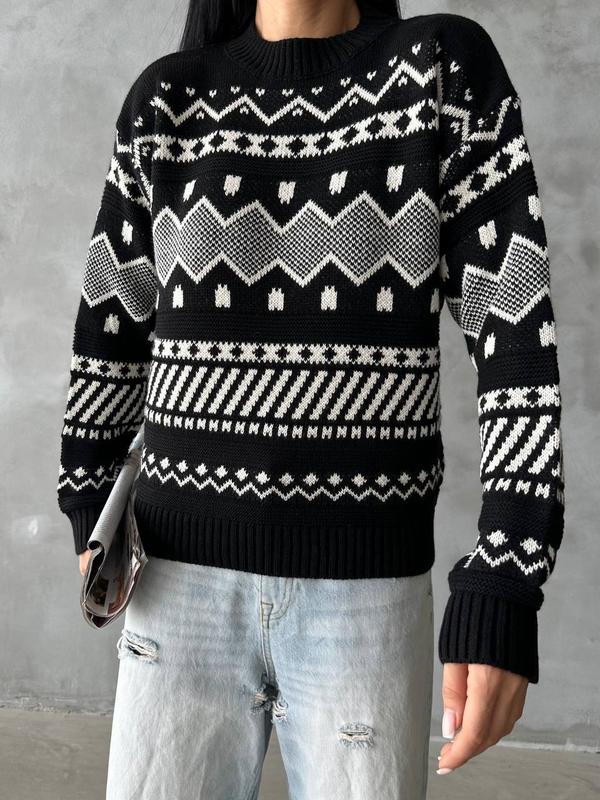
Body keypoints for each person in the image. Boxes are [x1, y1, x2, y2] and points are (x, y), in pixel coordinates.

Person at [56, 1, 565, 797]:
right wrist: (89, 499)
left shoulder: (440, 71)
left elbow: (516, 334)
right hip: (174, 587)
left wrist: (506, 569)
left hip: (363, 598)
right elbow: (110, 322)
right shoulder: (167, 101)